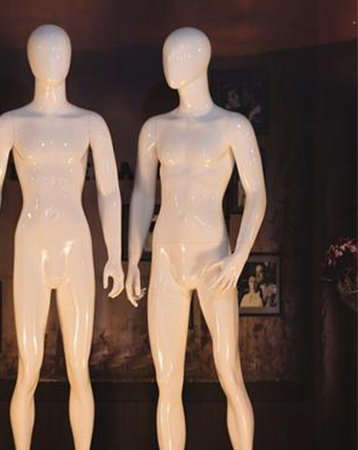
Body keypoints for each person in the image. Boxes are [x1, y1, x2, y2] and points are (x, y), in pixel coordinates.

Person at [0, 24, 124, 450]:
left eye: (60, 51)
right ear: (30, 60)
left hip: (76, 244)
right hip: (31, 246)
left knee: (79, 367)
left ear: (71, 58)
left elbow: (109, 192)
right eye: (43, 51)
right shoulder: (11, 124)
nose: (52, 59)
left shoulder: (90, 123)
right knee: (28, 366)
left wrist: (115, 255)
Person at [126, 28, 267, 450]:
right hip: (166, 257)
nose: (170, 63)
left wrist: (240, 257)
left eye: (179, 55)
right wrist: (133, 259)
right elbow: (143, 194)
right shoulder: (155, 129)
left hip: (213, 258)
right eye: (167, 54)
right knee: (167, 379)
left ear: (201, 60)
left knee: (229, 372)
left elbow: (257, 194)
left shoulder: (232, 126)